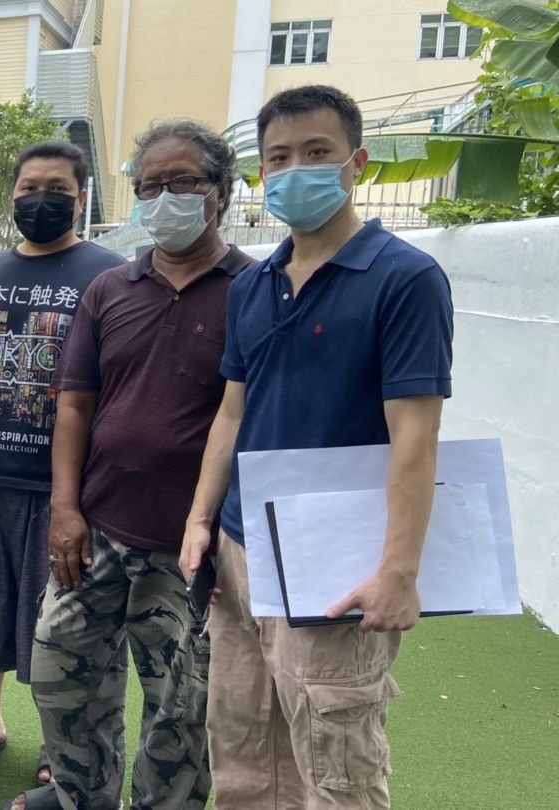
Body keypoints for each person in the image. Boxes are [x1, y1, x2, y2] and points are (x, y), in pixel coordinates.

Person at [181, 85, 453, 808]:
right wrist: (200, 522)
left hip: (336, 562)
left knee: (337, 762)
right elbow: (231, 414)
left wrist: (399, 570)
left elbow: (416, 438)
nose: (294, 169)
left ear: (355, 162)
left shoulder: (405, 279)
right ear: (261, 175)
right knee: (240, 744)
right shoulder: (254, 284)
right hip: (241, 548)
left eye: (316, 153)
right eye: (278, 158)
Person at [12, 120, 255, 810]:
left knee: (184, 709)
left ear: (221, 192)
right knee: (60, 672)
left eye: (184, 183)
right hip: (98, 530)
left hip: (192, 546)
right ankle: (84, 796)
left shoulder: (255, 289)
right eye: (151, 186)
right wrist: (66, 509)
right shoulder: (111, 290)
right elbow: (74, 408)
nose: (165, 197)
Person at [0, 140, 125, 783]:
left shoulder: (110, 272)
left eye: (54, 186)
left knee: (68, 622)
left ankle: (61, 736)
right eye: (27, 188)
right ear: (13, 194)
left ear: (80, 195)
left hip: (67, 487)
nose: (38, 198)